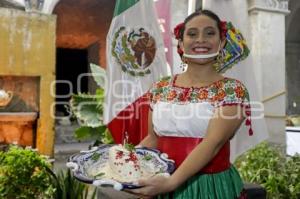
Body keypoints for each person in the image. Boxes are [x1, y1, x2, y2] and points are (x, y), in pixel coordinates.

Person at [129, 9, 251, 199]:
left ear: (222, 41)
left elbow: (213, 143)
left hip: (208, 186)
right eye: (192, 34)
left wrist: (171, 182)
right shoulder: (160, 87)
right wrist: (125, 160)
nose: (200, 39)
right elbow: (153, 139)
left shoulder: (232, 90)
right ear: (181, 42)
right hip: (162, 181)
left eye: (210, 33)